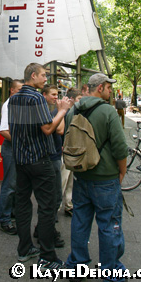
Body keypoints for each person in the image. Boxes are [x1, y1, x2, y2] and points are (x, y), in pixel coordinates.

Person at [66, 73, 128, 282]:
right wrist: (122, 171)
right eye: (109, 88)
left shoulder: (73, 110)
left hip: (81, 177)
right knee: (109, 225)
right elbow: (121, 148)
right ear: (100, 88)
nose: (111, 92)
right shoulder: (108, 111)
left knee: (80, 221)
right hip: (105, 180)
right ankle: (111, 276)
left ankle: (77, 266)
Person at [8, 63, 71, 270]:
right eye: (43, 75)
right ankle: (47, 257)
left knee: (23, 204)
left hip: (21, 160)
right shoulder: (36, 98)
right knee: (47, 206)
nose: (46, 78)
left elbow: (19, 129)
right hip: (39, 160)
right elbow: (47, 129)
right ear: (33, 76)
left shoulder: (14, 98)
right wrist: (61, 111)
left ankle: (24, 248)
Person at [39, 84, 64, 247]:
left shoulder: (51, 110)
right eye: (53, 94)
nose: (56, 97)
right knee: (52, 197)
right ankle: (47, 232)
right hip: (50, 157)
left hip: (54, 155)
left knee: (54, 196)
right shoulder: (46, 111)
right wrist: (61, 111)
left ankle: (43, 229)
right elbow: (60, 129)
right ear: (44, 95)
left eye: (57, 94)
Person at [0, 79, 23, 235]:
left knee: (16, 184)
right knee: (9, 185)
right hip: (11, 148)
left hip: (17, 148)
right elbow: (3, 130)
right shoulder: (9, 105)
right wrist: (21, 141)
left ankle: (12, 212)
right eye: (19, 89)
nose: (21, 92)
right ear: (12, 90)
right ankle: (5, 219)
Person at [61, 88, 82, 218]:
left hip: (70, 151)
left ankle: (69, 204)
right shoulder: (66, 112)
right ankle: (56, 208)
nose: (81, 102)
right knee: (63, 181)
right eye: (79, 99)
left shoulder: (72, 112)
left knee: (69, 181)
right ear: (72, 99)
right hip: (65, 152)